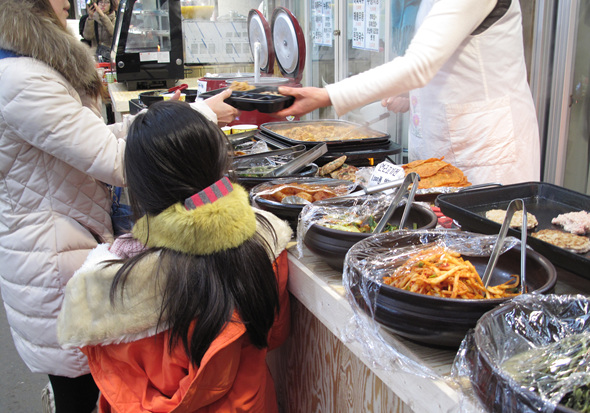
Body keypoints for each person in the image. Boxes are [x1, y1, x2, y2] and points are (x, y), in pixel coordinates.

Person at [0, 0, 238, 411]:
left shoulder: (31, 66)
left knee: (100, 385)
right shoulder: (21, 78)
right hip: (53, 253)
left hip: (68, 236)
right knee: (81, 386)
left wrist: (177, 116)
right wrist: (199, 115)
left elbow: (89, 135)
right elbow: (114, 159)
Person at [57, 100, 293, 412]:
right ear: (219, 163)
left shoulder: (105, 289)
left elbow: (118, 380)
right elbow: (275, 335)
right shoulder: (265, 240)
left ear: (138, 187)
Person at [276, 0, 541, 186]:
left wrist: (328, 95)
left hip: (485, 151)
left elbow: (419, 65)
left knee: (484, 252)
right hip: (448, 142)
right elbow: (450, 61)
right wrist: (414, 94)